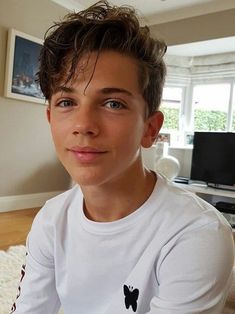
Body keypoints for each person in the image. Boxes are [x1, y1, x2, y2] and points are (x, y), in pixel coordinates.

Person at [11, 1, 234, 313]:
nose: (83, 125)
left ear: (150, 129)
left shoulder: (196, 234)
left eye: (113, 103)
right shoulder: (51, 219)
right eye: (66, 101)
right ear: (50, 119)